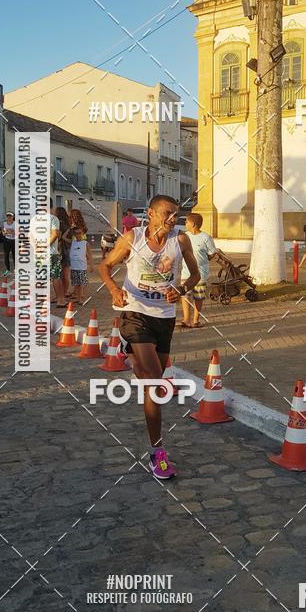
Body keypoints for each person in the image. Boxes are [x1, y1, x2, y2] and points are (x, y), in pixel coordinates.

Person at [99, 194, 200, 479]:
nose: (172, 219)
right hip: (135, 313)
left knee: (149, 386)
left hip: (165, 319)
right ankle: (157, 453)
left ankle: (131, 356)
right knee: (156, 383)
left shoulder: (180, 242)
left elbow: (195, 275)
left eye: (175, 215)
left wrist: (181, 290)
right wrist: (114, 290)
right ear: (152, 214)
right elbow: (104, 267)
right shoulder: (132, 238)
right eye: (167, 214)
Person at [180, 212, 216, 329]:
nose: (185, 223)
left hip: (201, 273)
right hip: (186, 272)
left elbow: (212, 253)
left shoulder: (206, 237)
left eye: (187, 221)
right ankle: (186, 319)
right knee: (185, 295)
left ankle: (196, 320)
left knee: (198, 297)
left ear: (193, 224)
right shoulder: (184, 236)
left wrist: (203, 259)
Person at [67, 226, 93, 304]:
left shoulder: (85, 243)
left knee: (82, 283)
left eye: (79, 233)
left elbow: (90, 255)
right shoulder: (72, 242)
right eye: (76, 233)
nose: (78, 235)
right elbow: (64, 237)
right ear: (74, 234)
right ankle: (77, 298)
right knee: (76, 283)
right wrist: (69, 229)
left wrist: (91, 265)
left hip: (82, 267)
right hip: (74, 267)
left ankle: (82, 298)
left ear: (82, 234)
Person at [55, 206, 72, 299]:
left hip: (61, 250)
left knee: (60, 275)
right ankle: (64, 293)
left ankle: (61, 295)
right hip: (68, 249)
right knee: (66, 274)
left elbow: (57, 237)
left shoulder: (59, 224)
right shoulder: (68, 224)